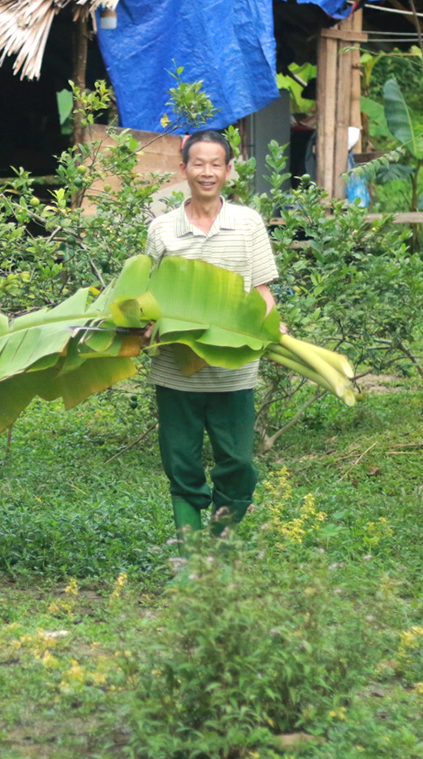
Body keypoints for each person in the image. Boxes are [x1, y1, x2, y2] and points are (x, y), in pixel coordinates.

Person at [144, 129, 282, 542]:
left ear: (228, 170)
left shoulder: (248, 223)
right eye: (198, 164)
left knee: (238, 462)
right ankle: (188, 554)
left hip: (234, 369)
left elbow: (262, 291)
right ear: (183, 168)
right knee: (180, 463)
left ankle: (220, 544)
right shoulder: (163, 229)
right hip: (175, 370)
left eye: (216, 164)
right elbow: (149, 295)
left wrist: (268, 324)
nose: (207, 172)